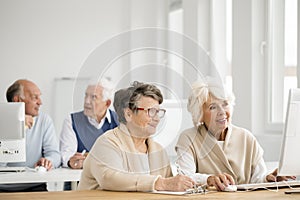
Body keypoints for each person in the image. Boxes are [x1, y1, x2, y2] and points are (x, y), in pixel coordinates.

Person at [175, 77, 296, 191]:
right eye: (213, 107)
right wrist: (209, 179)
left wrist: (270, 179)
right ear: (199, 114)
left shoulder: (246, 137)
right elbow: (185, 177)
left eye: (225, 104)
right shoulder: (188, 138)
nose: (222, 112)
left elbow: (257, 179)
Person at [77, 81, 195, 192]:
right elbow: (110, 178)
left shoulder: (159, 151)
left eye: (158, 112)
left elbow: (169, 187)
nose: (157, 119)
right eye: (151, 111)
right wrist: (160, 183)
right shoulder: (107, 143)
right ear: (128, 114)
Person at [0, 79, 61, 192]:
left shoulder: (44, 120)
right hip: (3, 188)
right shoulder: (1, 120)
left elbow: (55, 154)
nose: (40, 102)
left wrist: (48, 161)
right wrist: (18, 126)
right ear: (17, 100)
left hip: (35, 186)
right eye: (34, 97)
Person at [60, 78, 119, 190]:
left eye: (93, 97)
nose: (87, 101)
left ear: (107, 103)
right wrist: (71, 161)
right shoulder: (71, 120)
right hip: (78, 185)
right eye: (86, 96)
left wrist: (88, 160)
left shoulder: (120, 121)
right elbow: (66, 154)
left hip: (109, 185)